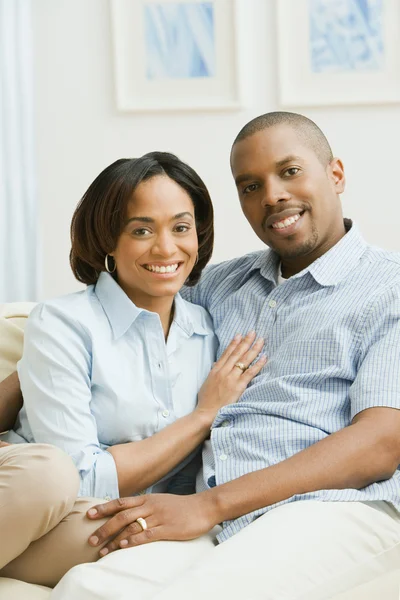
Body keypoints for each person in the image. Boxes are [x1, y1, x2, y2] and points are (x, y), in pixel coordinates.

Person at [51, 112, 400, 600]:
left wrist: (208, 505)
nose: (272, 195)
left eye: (290, 171)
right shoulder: (220, 285)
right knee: (85, 589)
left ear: (336, 174)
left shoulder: (390, 287)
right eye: (250, 186)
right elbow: (100, 333)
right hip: (223, 515)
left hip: (335, 508)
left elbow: (380, 443)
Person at [0, 151, 264, 587]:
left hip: (117, 519)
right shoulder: (62, 322)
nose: (166, 248)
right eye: (141, 230)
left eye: (181, 228)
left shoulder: (210, 331)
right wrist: (202, 416)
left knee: (174, 538)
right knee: (51, 475)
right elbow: (79, 475)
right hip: (43, 497)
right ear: (108, 239)